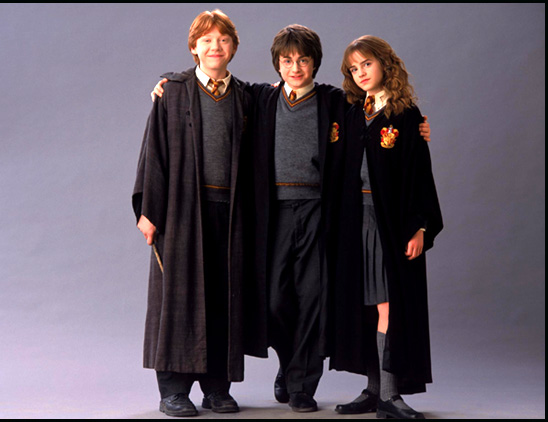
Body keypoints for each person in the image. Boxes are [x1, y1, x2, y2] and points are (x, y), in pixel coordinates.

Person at [151, 25, 432, 414]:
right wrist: (168, 81)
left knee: (313, 301)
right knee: (273, 302)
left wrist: (416, 129)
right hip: (274, 215)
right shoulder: (261, 98)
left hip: (319, 212)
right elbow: (215, 80)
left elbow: (380, 116)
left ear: (315, 63)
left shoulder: (335, 102)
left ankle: (302, 386)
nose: (295, 68)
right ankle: (288, 363)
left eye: (303, 60)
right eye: (287, 60)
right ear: (277, 64)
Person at [132, 10, 253, 417]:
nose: (215, 46)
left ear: (233, 48)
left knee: (222, 299)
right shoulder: (173, 92)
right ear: (194, 47)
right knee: (178, 299)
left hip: (229, 213)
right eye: (207, 40)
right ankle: (173, 391)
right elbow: (154, 153)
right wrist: (148, 212)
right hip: (182, 211)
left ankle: (217, 388)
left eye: (223, 40)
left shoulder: (245, 97)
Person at [330, 35, 443, 419]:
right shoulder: (350, 112)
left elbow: (419, 176)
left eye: (367, 64)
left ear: (385, 64)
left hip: (389, 225)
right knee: (363, 307)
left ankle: (390, 397)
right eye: (353, 68)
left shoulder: (405, 115)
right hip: (352, 223)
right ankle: (373, 390)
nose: (361, 73)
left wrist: (420, 227)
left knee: (388, 304)